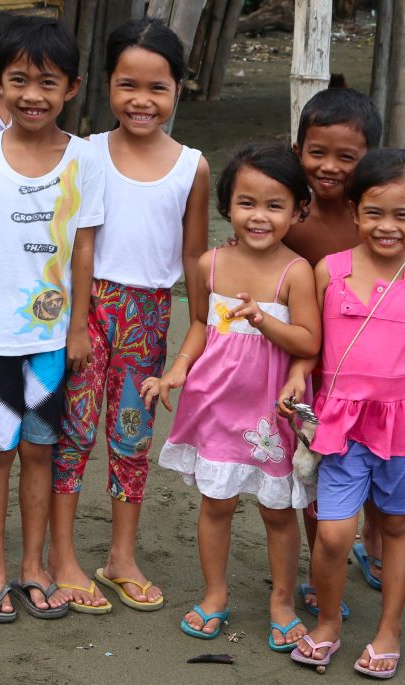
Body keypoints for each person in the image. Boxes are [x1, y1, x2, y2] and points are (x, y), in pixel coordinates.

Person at [283, 148, 405, 679]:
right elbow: (312, 345)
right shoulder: (329, 270)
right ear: (354, 210)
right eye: (375, 213)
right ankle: (327, 622)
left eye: (403, 215)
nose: (388, 227)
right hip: (340, 423)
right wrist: (299, 374)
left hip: (402, 423)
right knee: (335, 532)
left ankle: (389, 628)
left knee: (397, 524)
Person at [0, 16, 103, 622]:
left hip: (50, 340)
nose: (33, 94)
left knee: (40, 451)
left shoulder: (83, 161)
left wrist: (79, 327)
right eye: (18, 80)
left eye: (48, 82)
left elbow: (83, 247)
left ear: (72, 88)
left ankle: (33, 566)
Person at [49, 18, 210, 614]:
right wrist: (71, 322)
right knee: (74, 433)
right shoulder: (83, 152)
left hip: (150, 316)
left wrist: (198, 327)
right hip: (86, 310)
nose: (141, 101)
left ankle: (120, 558)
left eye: (157, 88)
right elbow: (67, 240)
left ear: (178, 89)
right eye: (127, 85)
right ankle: (63, 558)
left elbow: (193, 253)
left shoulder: (192, 165)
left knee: (131, 437)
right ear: (106, 86)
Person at [143, 143, 320, 650]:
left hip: (270, 412)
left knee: (277, 512)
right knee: (215, 504)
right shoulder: (210, 265)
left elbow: (309, 340)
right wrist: (176, 370)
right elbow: (202, 324)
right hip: (216, 403)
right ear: (227, 206)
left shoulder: (296, 272)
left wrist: (264, 320)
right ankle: (215, 593)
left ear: (297, 210)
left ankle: (281, 602)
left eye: (274, 205)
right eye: (247, 203)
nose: (259, 216)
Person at [284, 87, 387, 618]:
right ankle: (321, 569)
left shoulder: (372, 215)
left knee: (372, 464)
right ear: (296, 147)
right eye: (316, 152)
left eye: (347, 157)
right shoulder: (289, 217)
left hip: (374, 374)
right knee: (316, 473)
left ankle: (366, 544)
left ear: (371, 158)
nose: (329, 166)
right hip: (311, 373)